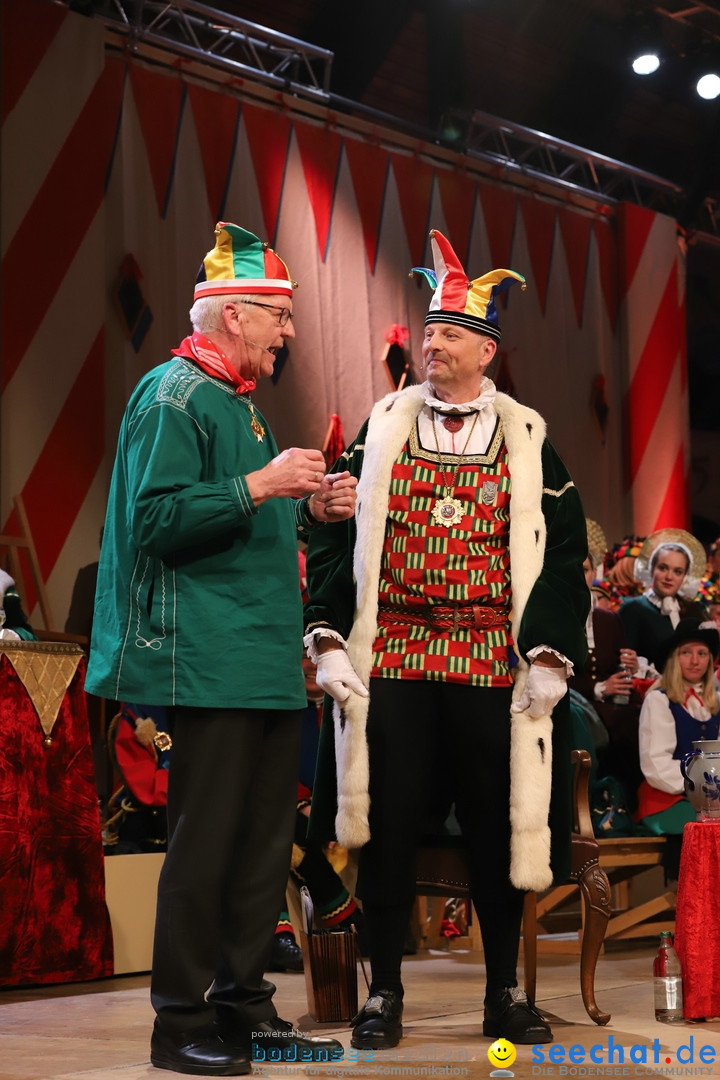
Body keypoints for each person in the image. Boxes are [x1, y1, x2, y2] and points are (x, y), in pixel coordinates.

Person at [303, 229, 589, 1048]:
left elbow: (566, 555)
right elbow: (331, 529)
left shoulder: (527, 438)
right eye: (428, 333)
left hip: (488, 662)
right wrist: (327, 638)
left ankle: (503, 993)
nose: (432, 344)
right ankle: (382, 993)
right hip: (392, 653)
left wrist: (545, 653)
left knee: (499, 830)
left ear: (485, 348)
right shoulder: (383, 424)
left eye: (449, 334)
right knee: (387, 823)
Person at [85, 222, 357, 1077]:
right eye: (279, 320)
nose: (287, 336)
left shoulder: (234, 402)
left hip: (265, 662)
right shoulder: (172, 395)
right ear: (235, 315)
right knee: (206, 847)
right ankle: (179, 1024)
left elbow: (238, 523)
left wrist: (306, 509)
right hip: (203, 658)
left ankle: (245, 1009)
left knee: (260, 847)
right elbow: (157, 522)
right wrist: (263, 482)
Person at [636, 617, 720, 876]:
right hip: (667, 800)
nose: (695, 661)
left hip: (712, 800)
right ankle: (698, 907)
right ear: (675, 657)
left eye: (702, 653)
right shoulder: (659, 701)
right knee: (710, 829)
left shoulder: (714, 702)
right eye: (686, 653)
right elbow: (656, 765)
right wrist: (706, 789)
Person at [569, 522, 643, 810]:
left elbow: (616, 668)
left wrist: (630, 668)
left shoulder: (607, 619)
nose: (581, 575)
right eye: (574, 568)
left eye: (586, 569)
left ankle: (629, 808)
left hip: (612, 708)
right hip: (576, 704)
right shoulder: (556, 616)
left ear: (594, 573)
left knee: (640, 716)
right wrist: (599, 688)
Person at [619, 529, 708, 675]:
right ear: (651, 569)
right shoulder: (633, 608)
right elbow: (623, 660)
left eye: (677, 571)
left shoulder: (693, 611)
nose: (669, 577)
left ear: (685, 577)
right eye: (663, 568)